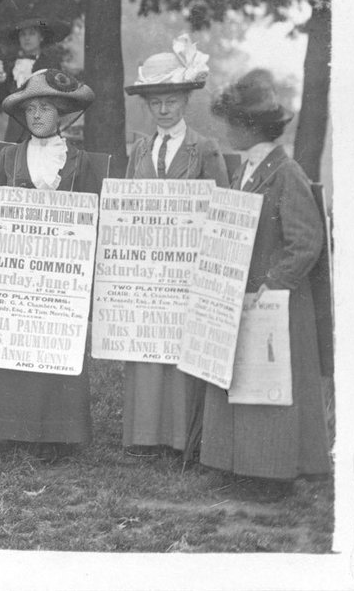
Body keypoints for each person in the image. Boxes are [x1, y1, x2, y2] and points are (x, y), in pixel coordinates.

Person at [199, 69, 329, 500]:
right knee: (245, 380)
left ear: (248, 125)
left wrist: (272, 286)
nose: (225, 128)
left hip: (277, 303)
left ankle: (273, 472)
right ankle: (244, 465)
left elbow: (306, 241)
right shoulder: (249, 168)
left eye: (231, 121)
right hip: (246, 296)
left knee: (269, 386)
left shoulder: (285, 172)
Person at [0, 69, 104, 466]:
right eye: (31, 109)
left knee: (54, 345)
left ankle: (54, 435)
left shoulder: (78, 162)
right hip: (14, 270)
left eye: (46, 108)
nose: (38, 115)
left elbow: (91, 219)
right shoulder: (8, 157)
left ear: (61, 113)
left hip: (59, 275)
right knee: (3, 349)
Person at [120, 35, 229, 458]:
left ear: (186, 101)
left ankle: (182, 435)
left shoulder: (204, 148)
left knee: (180, 347)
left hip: (187, 267)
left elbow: (220, 206)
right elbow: (126, 205)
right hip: (146, 267)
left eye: (171, 102)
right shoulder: (140, 148)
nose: (164, 111)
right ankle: (145, 435)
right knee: (146, 345)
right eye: (156, 104)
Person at [0, 16, 70, 143]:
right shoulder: (11, 66)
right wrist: (1, 81)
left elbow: (58, 98)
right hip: (15, 129)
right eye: (23, 34)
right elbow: (3, 101)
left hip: (43, 127)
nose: (27, 38)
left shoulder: (51, 64)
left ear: (41, 37)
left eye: (32, 34)